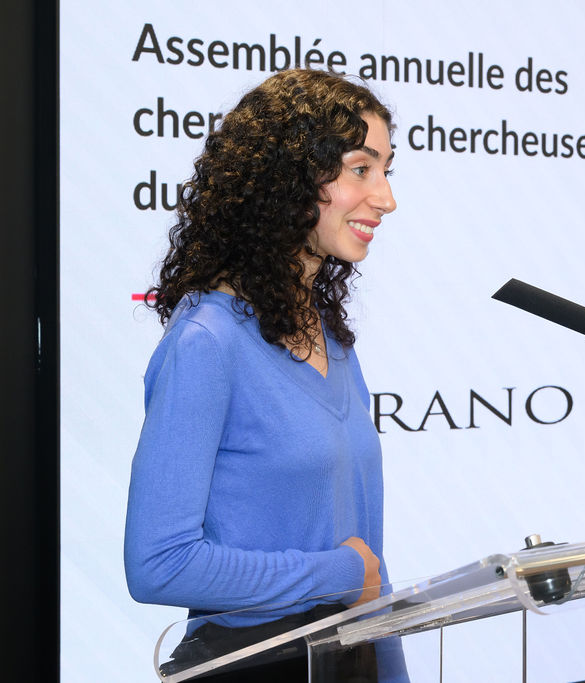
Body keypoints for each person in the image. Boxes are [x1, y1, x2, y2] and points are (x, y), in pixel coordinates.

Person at [124, 69, 407, 682]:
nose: (386, 198)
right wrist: (336, 574)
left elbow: (368, 568)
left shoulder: (332, 339)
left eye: (386, 171)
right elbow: (158, 565)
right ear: (290, 178)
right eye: (361, 169)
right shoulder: (207, 342)